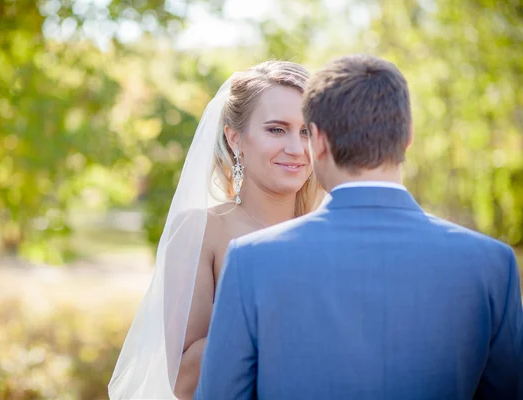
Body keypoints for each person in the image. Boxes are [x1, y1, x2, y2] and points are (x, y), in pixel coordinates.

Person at [195, 54, 523, 400]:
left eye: (304, 132)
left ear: (317, 140)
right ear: (407, 138)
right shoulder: (493, 265)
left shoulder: (250, 261)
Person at [108, 61, 322, 399]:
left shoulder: (332, 232)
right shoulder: (202, 230)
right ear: (235, 137)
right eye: (277, 130)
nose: (297, 148)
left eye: (307, 131)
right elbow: (182, 381)